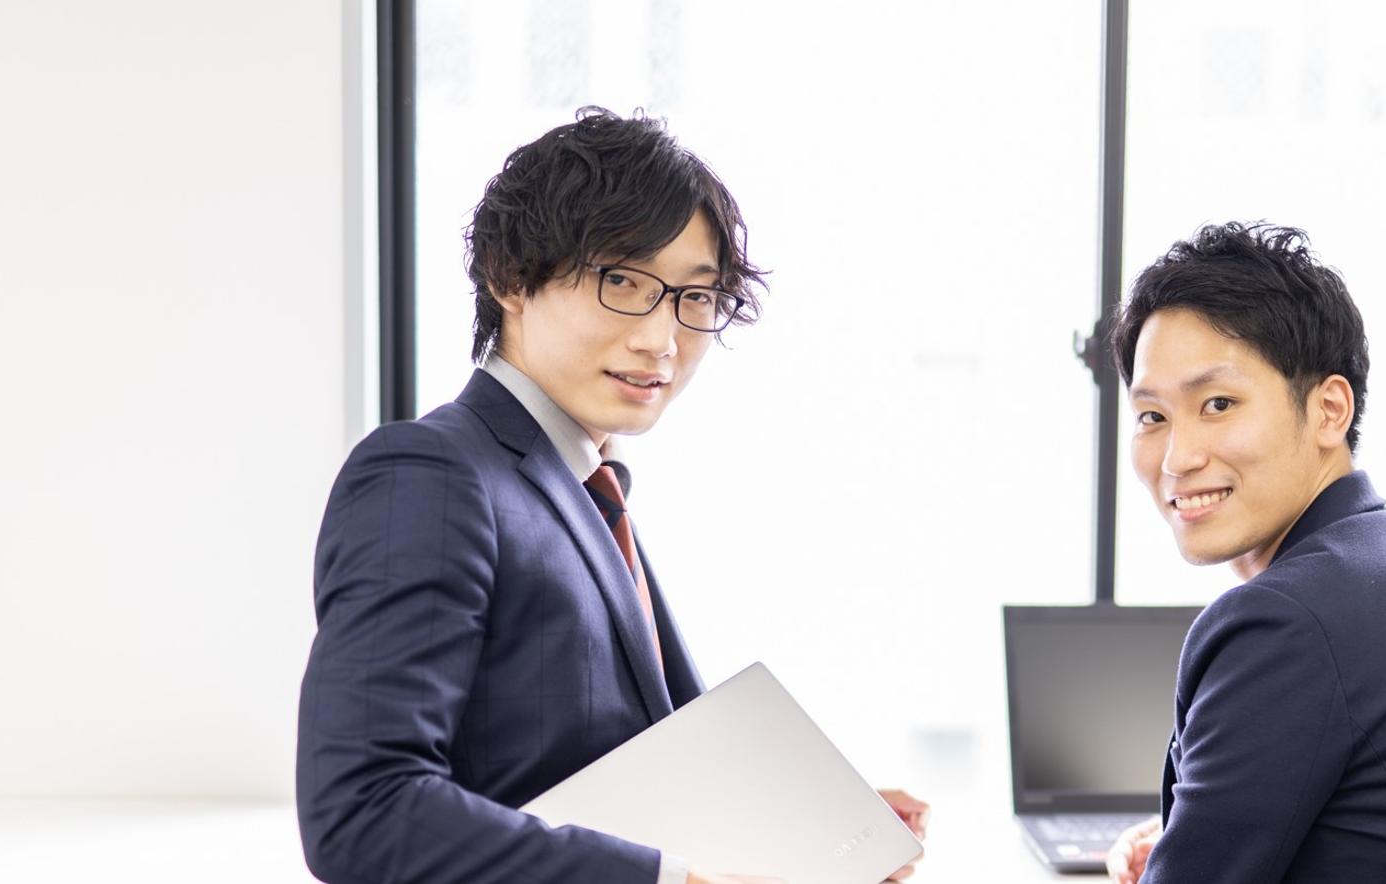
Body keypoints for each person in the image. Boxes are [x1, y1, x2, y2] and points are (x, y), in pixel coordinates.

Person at [296, 107, 927, 884]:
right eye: (623, 281)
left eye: (695, 297)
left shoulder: (585, 486)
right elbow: (363, 810)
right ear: (510, 278)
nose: (662, 340)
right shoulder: (429, 473)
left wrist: (805, 833)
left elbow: (615, 767)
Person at [1102, 222, 1386, 883]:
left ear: (1329, 410)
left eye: (1218, 404)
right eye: (1152, 417)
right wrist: (1191, 831)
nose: (1177, 458)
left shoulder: (1285, 622)